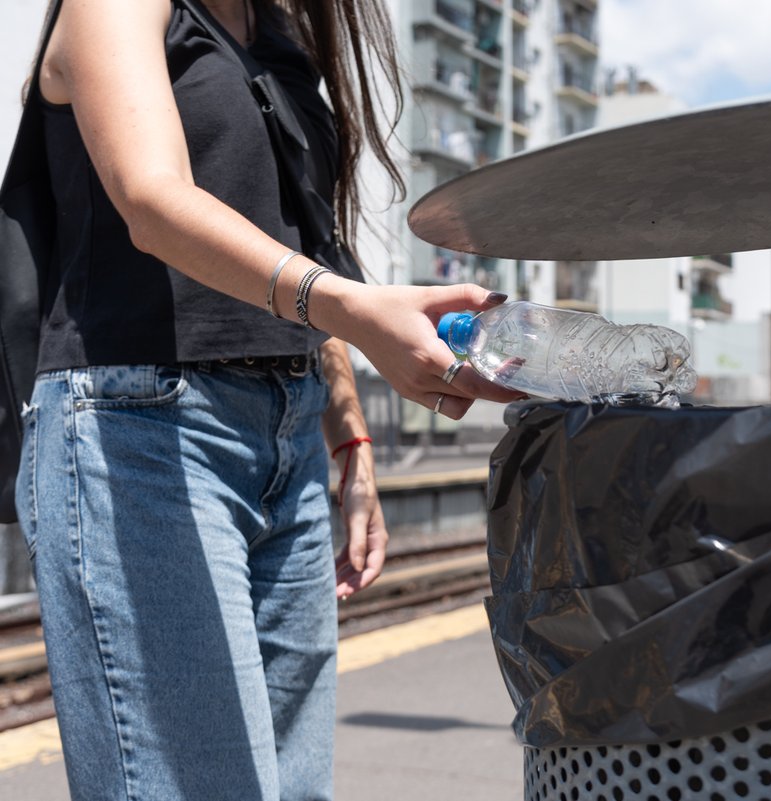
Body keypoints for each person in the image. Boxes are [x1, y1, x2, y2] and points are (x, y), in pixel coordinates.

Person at [13, 0, 521, 799]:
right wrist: (356, 306)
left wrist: (349, 444)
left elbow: (302, 248)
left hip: (285, 436)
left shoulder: (275, 38)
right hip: (140, 432)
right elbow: (152, 200)